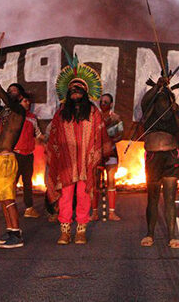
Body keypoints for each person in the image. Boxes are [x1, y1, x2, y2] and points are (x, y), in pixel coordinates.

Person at [46, 62, 105, 244]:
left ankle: (81, 230)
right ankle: (65, 231)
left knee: (83, 195)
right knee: (65, 197)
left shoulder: (94, 112)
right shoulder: (61, 113)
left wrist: (95, 156)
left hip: (86, 163)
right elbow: (54, 137)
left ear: (85, 93)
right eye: (72, 90)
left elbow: (99, 136)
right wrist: (54, 156)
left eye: (78, 90)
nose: (75, 93)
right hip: (66, 163)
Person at [138, 77, 179, 248]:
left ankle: (172, 235)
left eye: (166, 99)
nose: (162, 103)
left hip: (171, 155)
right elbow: (145, 100)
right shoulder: (149, 109)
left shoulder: (174, 113)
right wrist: (157, 86)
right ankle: (149, 233)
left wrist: (176, 112)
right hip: (153, 156)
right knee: (152, 197)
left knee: (170, 197)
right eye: (160, 99)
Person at [0, 70, 27, 248]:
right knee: (2, 198)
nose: (11, 92)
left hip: (6, 160)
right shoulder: (6, 112)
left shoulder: (19, 110)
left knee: (8, 198)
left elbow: (7, 100)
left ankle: (16, 234)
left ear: (21, 96)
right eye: (9, 90)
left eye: (15, 91)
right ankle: (10, 231)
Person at [92, 93, 123, 221]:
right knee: (95, 182)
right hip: (97, 154)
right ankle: (94, 213)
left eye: (106, 102)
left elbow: (121, 134)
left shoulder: (116, 118)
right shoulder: (94, 117)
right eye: (101, 102)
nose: (103, 104)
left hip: (111, 153)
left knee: (111, 181)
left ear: (111, 104)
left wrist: (110, 141)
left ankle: (111, 212)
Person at [14, 94, 43, 219]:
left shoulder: (32, 118)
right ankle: (10, 208)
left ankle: (29, 208)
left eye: (29, 101)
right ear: (19, 102)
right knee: (12, 182)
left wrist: (49, 138)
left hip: (28, 155)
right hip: (16, 154)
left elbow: (38, 134)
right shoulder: (14, 116)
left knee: (27, 183)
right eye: (25, 101)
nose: (28, 103)